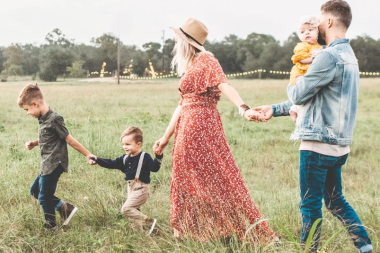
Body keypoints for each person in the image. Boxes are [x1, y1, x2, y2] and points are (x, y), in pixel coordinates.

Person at [254, 1, 373, 252]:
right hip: (339, 146)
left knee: (309, 206)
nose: (316, 24)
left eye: (319, 20)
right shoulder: (348, 56)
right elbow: (315, 97)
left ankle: (310, 250)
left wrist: (294, 78)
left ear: (328, 22)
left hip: (317, 145)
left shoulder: (327, 56)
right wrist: (274, 109)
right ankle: (365, 246)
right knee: (335, 200)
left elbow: (299, 95)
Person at [153, 18, 276, 245]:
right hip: (187, 124)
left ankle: (235, 228)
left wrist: (244, 108)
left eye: (177, 37)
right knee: (185, 174)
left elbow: (224, 84)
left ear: (186, 41)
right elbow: (182, 104)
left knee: (217, 176)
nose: (174, 41)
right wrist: (166, 136)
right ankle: (186, 231)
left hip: (201, 124)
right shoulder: (190, 65)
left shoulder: (206, 59)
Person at [18, 84, 96, 231]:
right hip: (46, 164)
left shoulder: (55, 118)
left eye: (27, 109)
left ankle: (51, 226)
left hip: (54, 163)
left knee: (44, 197)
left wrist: (88, 154)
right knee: (35, 191)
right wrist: (34, 143)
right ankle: (65, 208)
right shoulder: (43, 119)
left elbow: (69, 139)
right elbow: (47, 137)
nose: (27, 113)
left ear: (35, 104)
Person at [91, 126, 162, 235]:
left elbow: (155, 168)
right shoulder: (125, 158)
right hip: (131, 188)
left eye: (128, 144)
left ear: (139, 144)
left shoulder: (145, 157)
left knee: (126, 209)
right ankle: (139, 235)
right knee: (134, 213)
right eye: (123, 144)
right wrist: (97, 160)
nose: (125, 147)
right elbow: (111, 163)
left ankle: (148, 222)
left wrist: (158, 156)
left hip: (141, 188)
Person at [289, 15, 322, 123]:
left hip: (307, 73)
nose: (306, 33)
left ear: (317, 33)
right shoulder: (302, 45)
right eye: (302, 32)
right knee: (302, 87)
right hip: (299, 72)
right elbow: (299, 58)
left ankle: (294, 108)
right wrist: (310, 59)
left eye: (310, 30)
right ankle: (297, 109)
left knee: (308, 90)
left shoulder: (318, 47)